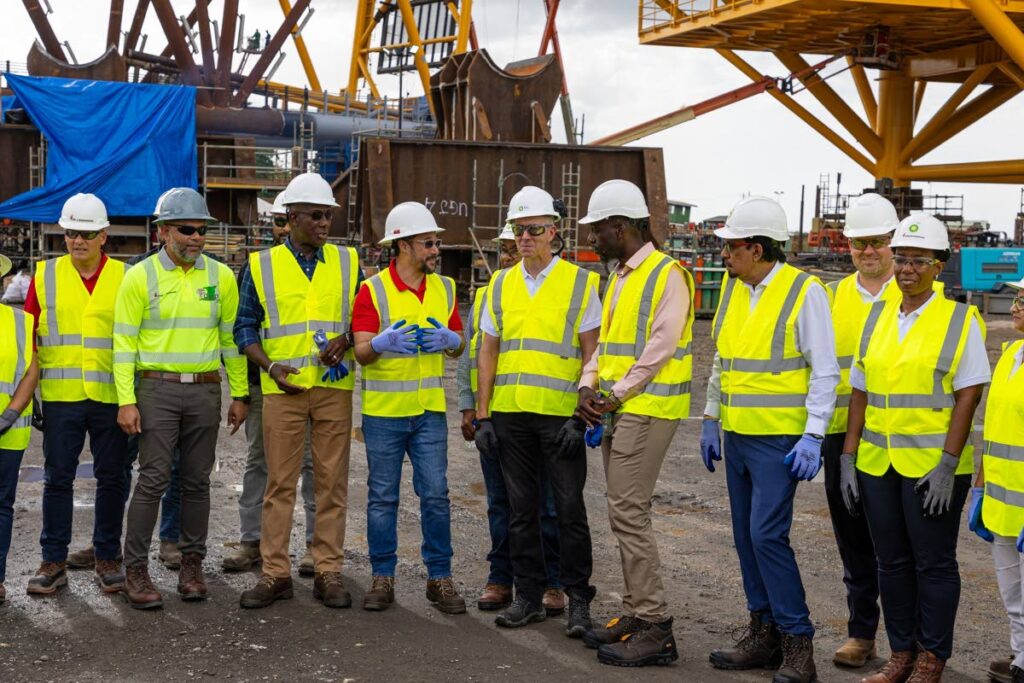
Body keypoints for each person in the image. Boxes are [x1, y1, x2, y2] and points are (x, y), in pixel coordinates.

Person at [844, 214, 989, 683]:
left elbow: (969, 392)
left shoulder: (959, 319)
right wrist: (848, 456)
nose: (908, 268)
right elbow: (861, 390)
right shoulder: (878, 316)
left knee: (934, 563)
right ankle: (900, 654)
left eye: (919, 261)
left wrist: (950, 463)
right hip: (878, 462)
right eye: (902, 258)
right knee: (892, 562)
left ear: (939, 265)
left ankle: (932, 658)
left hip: (932, 465)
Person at [701, 196, 839, 683]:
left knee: (766, 536)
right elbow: (723, 360)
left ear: (756, 248)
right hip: (738, 436)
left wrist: (812, 436)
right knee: (745, 538)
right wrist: (710, 417)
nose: (723, 255)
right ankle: (765, 635)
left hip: (779, 441)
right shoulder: (737, 289)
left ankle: (798, 645)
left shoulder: (806, 293)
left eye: (731, 247)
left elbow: (825, 371)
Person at [576, 179, 694, 666]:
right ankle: (637, 613)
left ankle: (656, 624)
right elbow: (608, 345)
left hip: (648, 408)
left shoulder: (668, 274)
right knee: (623, 511)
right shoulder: (620, 275)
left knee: (628, 512)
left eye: (597, 229)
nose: (592, 238)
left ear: (619, 226)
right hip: (620, 405)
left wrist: (613, 395)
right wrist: (589, 383)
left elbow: (659, 349)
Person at [474, 186, 600, 637]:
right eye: (519, 231)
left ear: (554, 231)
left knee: (569, 510)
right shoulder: (501, 283)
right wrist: (484, 415)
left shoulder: (581, 282)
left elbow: (592, 353)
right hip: (511, 416)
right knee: (521, 510)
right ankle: (527, 596)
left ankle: (578, 599)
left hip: (559, 417)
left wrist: (579, 414)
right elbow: (488, 351)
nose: (525, 238)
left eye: (534, 230)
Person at [114, 187, 248, 610]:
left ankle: (192, 565)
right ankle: (135, 570)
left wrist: (240, 392)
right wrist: (126, 400)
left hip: (205, 389)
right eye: (187, 230)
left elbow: (230, 340)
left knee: (196, 480)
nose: (196, 238)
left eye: (202, 230)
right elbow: (124, 344)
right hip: (156, 389)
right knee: (153, 478)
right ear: (163, 232)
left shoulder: (220, 277)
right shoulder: (139, 277)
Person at [236, 173, 360, 609]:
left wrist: (346, 338)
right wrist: (269, 366)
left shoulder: (348, 262)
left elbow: (362, 319)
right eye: (317, 215)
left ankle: (327, 570)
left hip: (333, 389)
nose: (325, 222)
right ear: (291, 217)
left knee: (331, 484)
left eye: (328, 215)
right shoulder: (260, 264)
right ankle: (275, 574)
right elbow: (243, 327)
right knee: (280, 485)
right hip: (282, 391)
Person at [352, 201, 467, 615]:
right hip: (384, 413)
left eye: (437, 242)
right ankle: (382, 577)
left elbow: (458, 342)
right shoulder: (373, 290)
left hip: (429, 411)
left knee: (435, 496)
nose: (436, 249)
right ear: (402, 245)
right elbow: (362, 351)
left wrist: (453, 343)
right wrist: (379, 344)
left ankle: (440, 579)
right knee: (383, 498)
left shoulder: (445, 288)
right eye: (429, 243)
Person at [22, 194, 129, 597]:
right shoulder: (45, 275)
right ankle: (53, 560)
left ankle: (107, 557)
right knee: (57, 479)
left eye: (85, 233)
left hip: (110, 396)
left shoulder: (125, 277)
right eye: (70, 233)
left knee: (113, 478)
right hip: (61, 397)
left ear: (104, 235)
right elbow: (29, 338)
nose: (77, 241)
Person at [456, 226, 564, 614]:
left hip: (541, 415)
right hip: (496, 417)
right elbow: (471, 355)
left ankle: (552, 582)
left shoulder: (557, 290)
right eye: (501, 250)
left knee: (547, 505)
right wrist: (470, 408)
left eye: (511, 249)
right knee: (501, 503)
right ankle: (501, 578)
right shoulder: (489, 295)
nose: (507, 256)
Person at [821, 193, 902, 668]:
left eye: (876, 242)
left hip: (897, 437)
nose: (867, 251)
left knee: (899, 544)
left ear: (893, 242)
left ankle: (908, 642)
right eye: (858, 243)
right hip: (840, 437)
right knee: (853, 540)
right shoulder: (832, 299)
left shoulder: (916, 295)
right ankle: (862, 634)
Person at [222, 190, 319, 576]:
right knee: (260, 464)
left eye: (284, 221)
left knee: (313, 465)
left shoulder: (335, 265)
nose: (280, 228)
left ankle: (315, 546)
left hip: (316, 385)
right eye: (276, 222)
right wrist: (244, 393)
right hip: (267, 386)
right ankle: (252, 543)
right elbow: (243, 329)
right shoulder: (258, 266)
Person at [972, 278, 1024, 683]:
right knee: (1013, 593)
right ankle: (1021, 657)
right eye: (1018, 297)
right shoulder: (1011, 355)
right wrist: (980, 485)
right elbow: (994, 427)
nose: (1016, 304)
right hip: (1003, 502)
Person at [0, 253, 39, 604]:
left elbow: (31, 371)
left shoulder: (20, 323)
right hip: (8, 429)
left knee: (0, 505)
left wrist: (11, 413)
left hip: (8, 433)